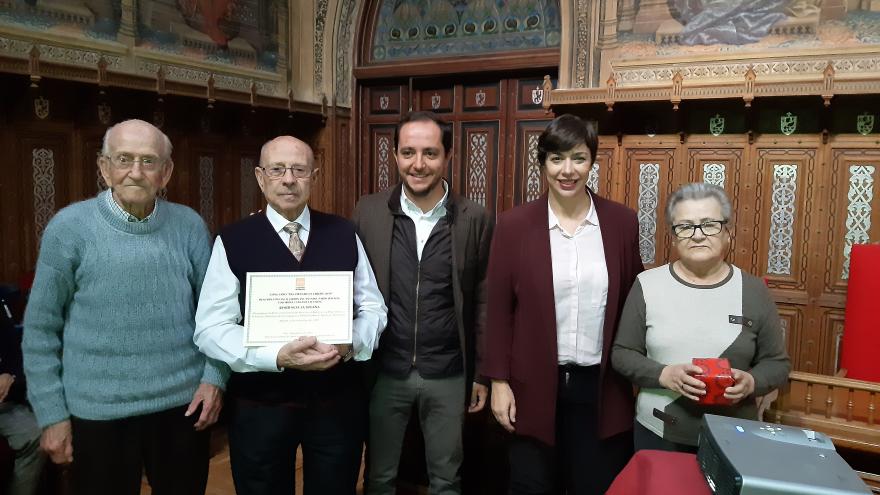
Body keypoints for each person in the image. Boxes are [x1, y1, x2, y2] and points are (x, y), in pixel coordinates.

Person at [22, 119, 228, 495]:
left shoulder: (189, 226)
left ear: (166, 172)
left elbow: (216, 314)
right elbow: (40, 330)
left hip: (182, 410)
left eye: (149, 161)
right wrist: (51, 414)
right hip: (97, 413)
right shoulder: (68, 229)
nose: (136, 171)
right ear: (104, 167)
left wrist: (214, 379)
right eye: (124, 159)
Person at [193, 135, 387, 495]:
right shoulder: (233, 240)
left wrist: (350, 344)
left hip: (336, 405)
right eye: (277, 169)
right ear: (259, 176)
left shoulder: (344, 233)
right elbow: (210, 328)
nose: (288, 179)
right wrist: (275, 356)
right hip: (259, 406)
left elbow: (373, 307)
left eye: (298, 169)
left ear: (314, 175)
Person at [484, 114, 643, 495]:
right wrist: (499, 382)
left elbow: (633, 303)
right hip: (533, 386)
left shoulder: (621, 223)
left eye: (578, 158)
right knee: (531, 485)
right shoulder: (514, 225)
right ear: (542, 164)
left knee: (595, 485)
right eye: (556, 159)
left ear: (592, 162)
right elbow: (498, 310)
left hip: (601, 388)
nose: (567, 170)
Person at [353, 111, 494, 495]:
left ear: (448, 155)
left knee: (446, 479)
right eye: (408, 152)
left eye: (430, 153)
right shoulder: (367, 212)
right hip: (386, 371)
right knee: (379, 476)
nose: (418, 164)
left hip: (447, 371)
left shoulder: (474, 218)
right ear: (395, 156)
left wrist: (481, 373)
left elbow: (483, 300)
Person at [612, 182, 790, 452]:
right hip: (658, 434)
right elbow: (622, 353)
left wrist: (752, 382)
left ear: (727, 232)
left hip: (735, 437)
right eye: (685, 226)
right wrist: (664, 375)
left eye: (709, 224)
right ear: (673, 237)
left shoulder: (753, 291)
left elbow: (777, 364)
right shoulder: (646, 285)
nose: (697, 235)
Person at [0, 291, 45, 495]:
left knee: (34, 432)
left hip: (4, 406)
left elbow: (18, 355)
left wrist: (10, 376)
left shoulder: (2, 302)